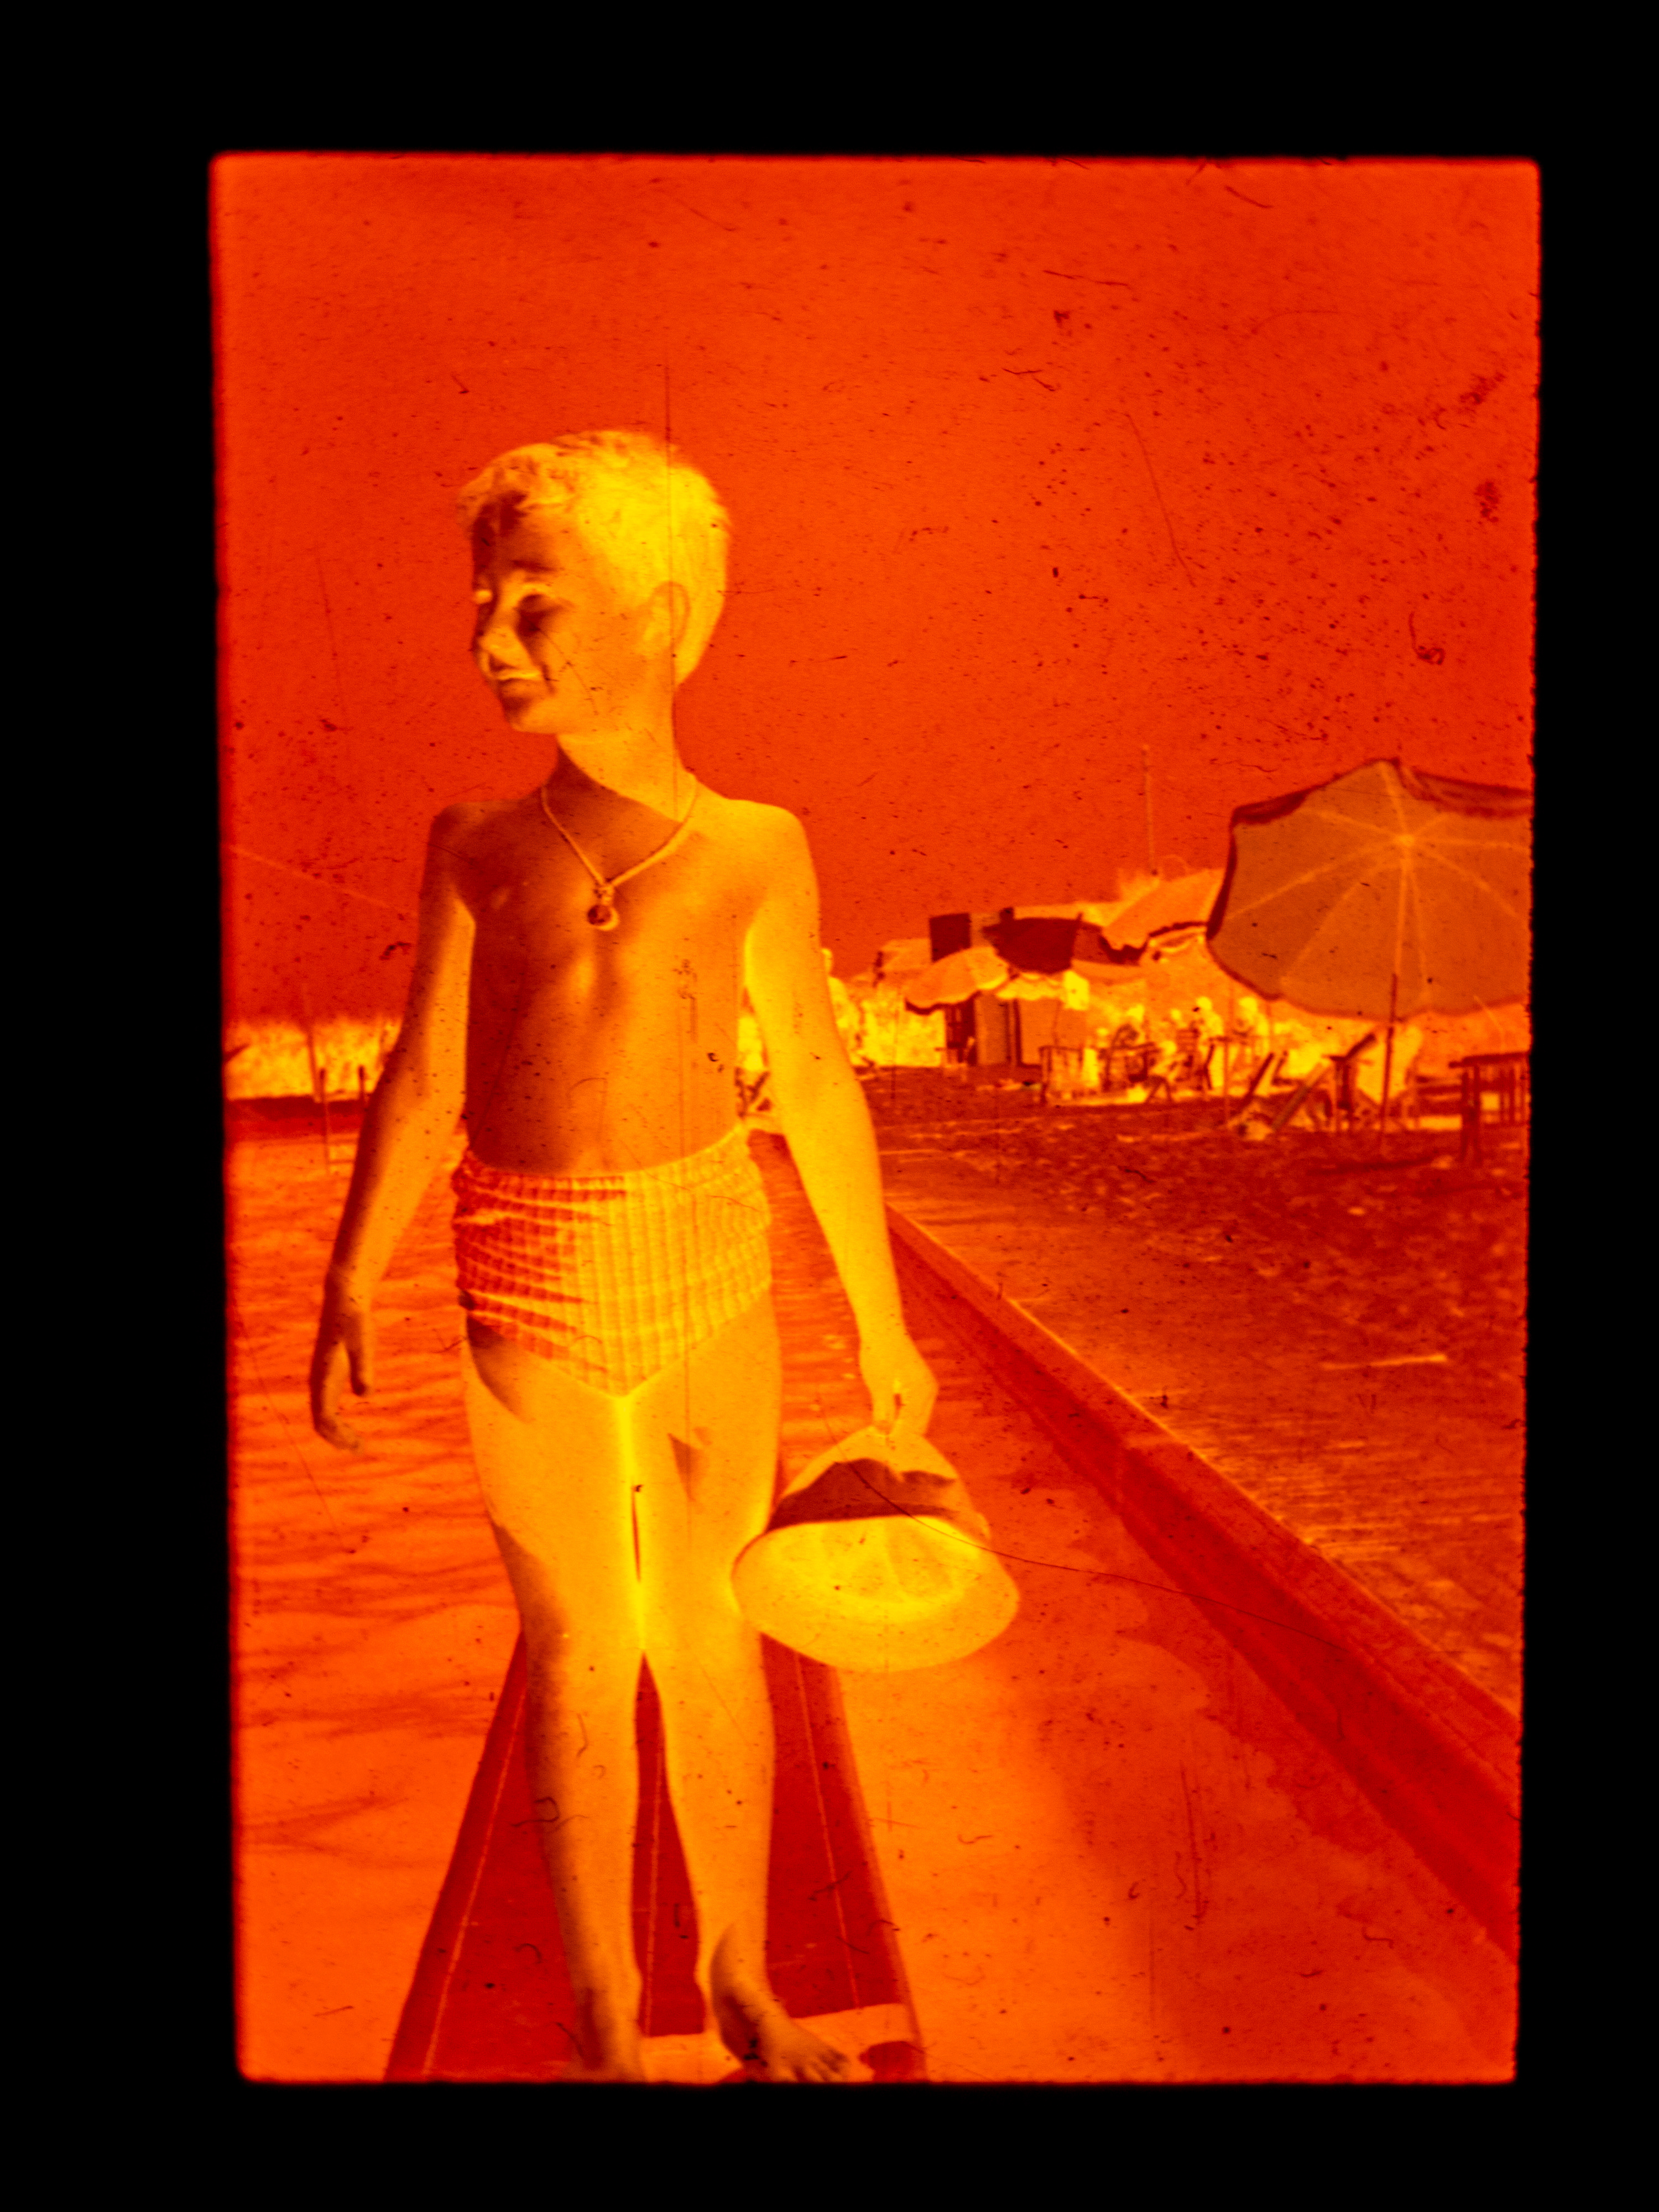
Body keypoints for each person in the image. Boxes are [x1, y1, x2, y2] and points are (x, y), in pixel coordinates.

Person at [308, 431, 937, 2082]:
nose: (491, 637)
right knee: (582, 1644)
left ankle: (739, 1975)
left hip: (706, 1248)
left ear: (658, 617)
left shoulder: (756, 846)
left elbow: (814, 1079)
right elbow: (427, 1076)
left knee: (711, 1633)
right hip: (521, 1262)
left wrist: (882, 1325)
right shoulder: (474, 841)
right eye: (481, 604)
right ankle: (604, 2000)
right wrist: (351, 1275)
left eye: (535, 603)